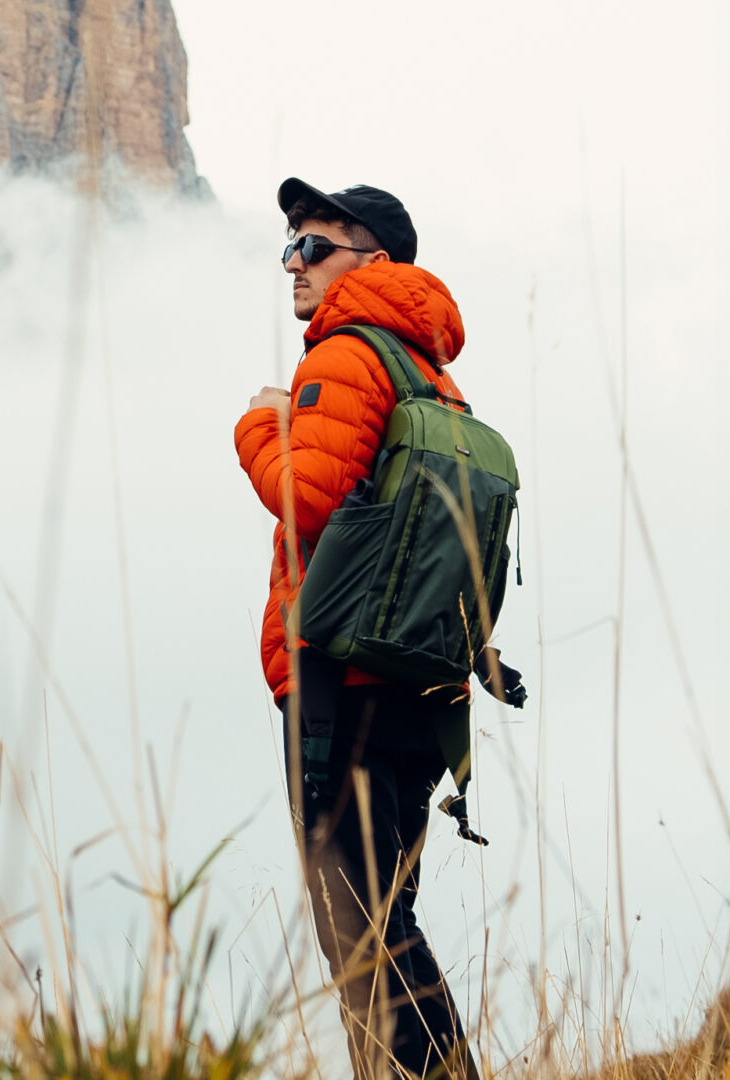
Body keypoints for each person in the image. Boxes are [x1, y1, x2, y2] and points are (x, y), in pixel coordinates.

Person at [234, 178, 481, 1079]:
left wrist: (262, 422)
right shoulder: (430, 370)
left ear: (371, 261)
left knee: (359, 931)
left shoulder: (345, 352)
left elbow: (305, 498)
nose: (293, 263)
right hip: (417, 686)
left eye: (315, 246)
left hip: (345, 686)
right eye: (290, 245)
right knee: (383, 917)